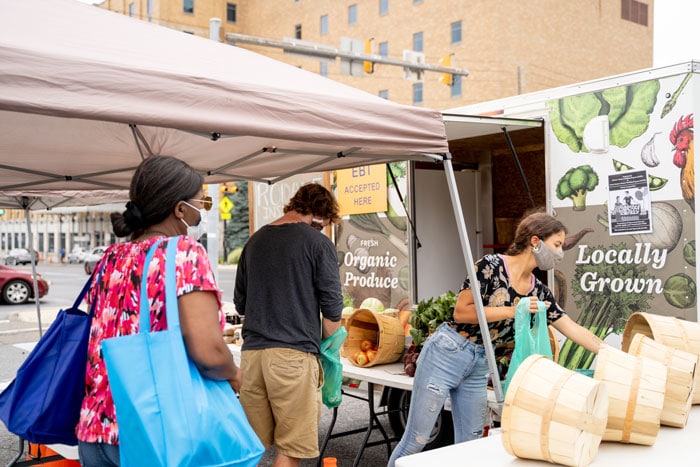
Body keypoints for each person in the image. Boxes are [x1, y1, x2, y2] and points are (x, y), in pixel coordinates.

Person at [388, 210, 603, 466]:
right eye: (557, 245)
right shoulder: (489, 267)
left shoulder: (540, 291)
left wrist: (612, 355)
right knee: (417, 439)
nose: (560, 253)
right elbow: (462, 312)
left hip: (480, 363)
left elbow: (573, 328)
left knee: (471, 443)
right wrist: (515, 309)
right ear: (535, 241)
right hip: (447, 352)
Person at [76, 155, 241, 467]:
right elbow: (209, 352)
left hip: (96, 429)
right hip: (157, 432)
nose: (201, 212)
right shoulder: (183, 253)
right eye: (201, 203)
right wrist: (235, 374)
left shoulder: (109, 257)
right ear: (180, 209)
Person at [235, 183, 343, 467]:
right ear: (318, 214)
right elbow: (332, 311)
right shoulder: (318, 244)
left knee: (251, 447)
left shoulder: (254, 241)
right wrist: (325, 347)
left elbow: (241, 304)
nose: (321, 229)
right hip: (293, 358)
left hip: (252, 357)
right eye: (323, 224)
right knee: (291, 447)